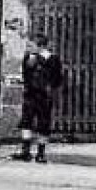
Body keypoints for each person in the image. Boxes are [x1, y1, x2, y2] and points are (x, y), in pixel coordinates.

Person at [10, 33, 64, 163]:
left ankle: (41, 152)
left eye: (31, 45)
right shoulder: (28, 58)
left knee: (43, 123)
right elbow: (26, 73)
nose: (28, 48)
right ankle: (26, 150)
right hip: (30, 93)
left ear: (40, 46)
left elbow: (57, 78)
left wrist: (50, 87)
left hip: (44, 95)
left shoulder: (52, 59)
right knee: (26, 121)